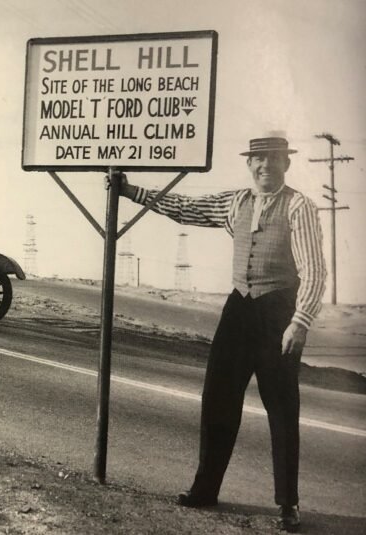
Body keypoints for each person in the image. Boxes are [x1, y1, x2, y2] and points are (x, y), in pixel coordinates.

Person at [119, 135, 326, 533]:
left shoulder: (300, 206)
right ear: (249, 164)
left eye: (274, 159)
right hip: (239, 308)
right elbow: (185, 208)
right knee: (217, 397)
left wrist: (299, 322)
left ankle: (288, 504)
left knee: (282, 409)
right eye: (258, 159)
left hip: (279, 311)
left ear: (287, 163)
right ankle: (205, 488)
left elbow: (315, 271)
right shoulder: (236, 202)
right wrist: (131, 191)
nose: (265, 166)